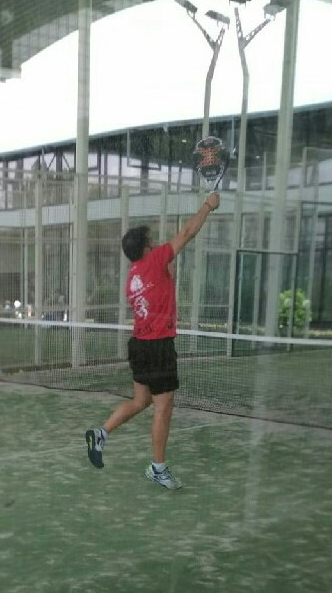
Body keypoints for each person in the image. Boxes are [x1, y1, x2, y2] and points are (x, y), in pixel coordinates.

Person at [85, 191, 221, 489]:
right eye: (152, 241)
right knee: (163, 406)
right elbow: (187, 232)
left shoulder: (133, 278)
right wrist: (207, 206)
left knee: (141, 400)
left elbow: (163, 281)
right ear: (146, 248)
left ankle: (101, 433)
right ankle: (158, 468)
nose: (156, 243)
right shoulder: (156, 259)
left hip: (139, 345)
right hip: (158, 346)